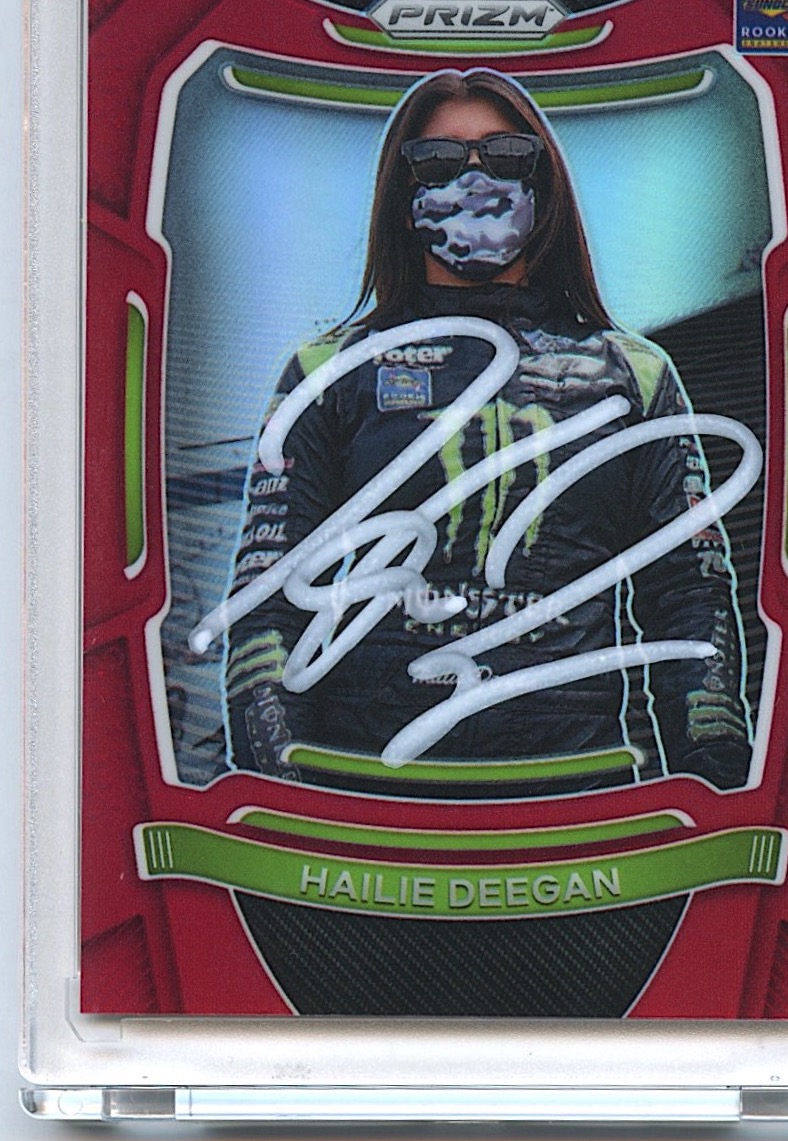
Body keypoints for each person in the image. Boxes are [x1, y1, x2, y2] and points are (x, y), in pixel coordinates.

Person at [222, 67, 753, 792]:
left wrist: (714, 776)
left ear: (545, 180)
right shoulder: (328, 370)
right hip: (370, 783)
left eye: (505, 155)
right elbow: (267, 596)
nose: (474, 179)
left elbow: (690, 593)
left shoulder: (634, 373)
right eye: (437, 160)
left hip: (574, 783)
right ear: (401, 190)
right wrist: (282, 779)